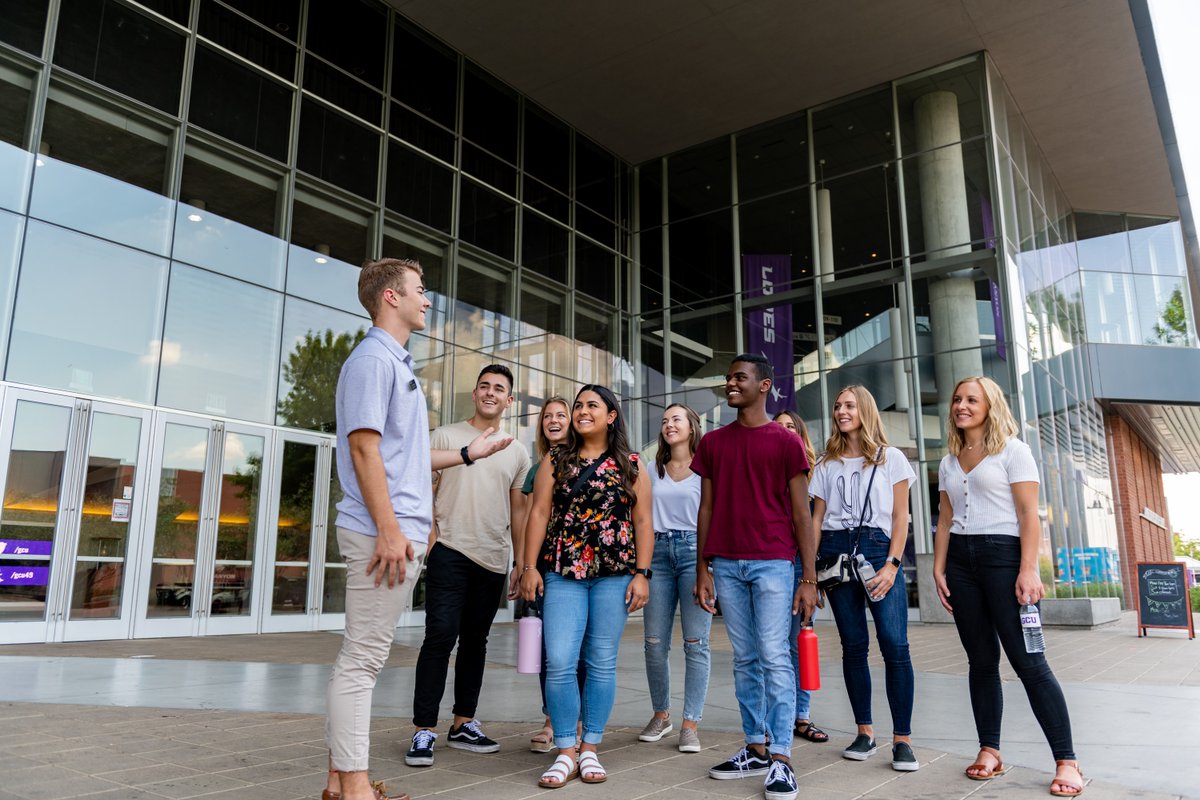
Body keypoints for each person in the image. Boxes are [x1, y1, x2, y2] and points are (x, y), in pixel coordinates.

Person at [324, 257, 511, 800]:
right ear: (391, 297)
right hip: (383, 533)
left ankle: (339, 784)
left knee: (358, 659)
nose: (427, 299)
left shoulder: (394, 364)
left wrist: (469, 453)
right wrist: (388, 528)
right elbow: (364, 447)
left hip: (395, 529)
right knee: (362, 661)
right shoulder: (372, 361)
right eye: (419, 290)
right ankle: (356, 790)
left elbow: (404, 458)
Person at [932, 376, 1083, 797]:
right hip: (961, 563)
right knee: (980, 663)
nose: (961, 405)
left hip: (1004, 558)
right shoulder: (949, 460)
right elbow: (944, 519)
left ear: (990, 405)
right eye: (957, 399)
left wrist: (1028, 569)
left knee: (1029, 661)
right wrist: (939, 569)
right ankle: (990, 750)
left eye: (971, 400)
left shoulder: (1014, 452)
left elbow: (1028, 515)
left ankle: (1067, 760)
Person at [519, 384, 654, 788]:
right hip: (562, 571)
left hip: (614, 574)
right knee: (559, 660)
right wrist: (529, 566)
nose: (581, 411)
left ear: (611, 415)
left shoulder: (632, 463)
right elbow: (539, 512)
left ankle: (590, 746)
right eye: (578, 405)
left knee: (600, 660)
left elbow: (644, 521)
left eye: (591, 405)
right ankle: (565, 749)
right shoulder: (556, 458)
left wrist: (642, 573)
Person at [694, 355, 816, 800]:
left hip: (773, 563)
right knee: (745, 658)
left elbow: (802, 514)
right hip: (725, 563)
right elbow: (705, 508)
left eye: (738, 378)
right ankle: (756, 747)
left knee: (774, 655)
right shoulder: (712, 443)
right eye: (728, 378)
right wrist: (701, 567)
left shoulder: (786, 443)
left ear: (764, 385)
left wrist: (808, 577)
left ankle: (782, 758)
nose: (730, 384)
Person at [405, 365, 531, 767]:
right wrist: (428, 541)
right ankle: (423, 730)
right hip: (451, 550)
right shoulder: (444, 436)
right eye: (485, 386)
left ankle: (463, 723)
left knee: (476, 644)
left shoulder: (517, 449)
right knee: (439, 637)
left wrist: (520, 562)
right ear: (474, 393)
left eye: (500, 389)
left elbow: (519, 511)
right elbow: (422, 490)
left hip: (493, 558)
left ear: (509, 400)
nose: (491, 393)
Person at [810, 385, 918, 772]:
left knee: (894, 645)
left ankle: (902, 740)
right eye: (837, 405)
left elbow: (900, 518)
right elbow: (817, 520)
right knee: (853, 645)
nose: (841, 411)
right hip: (836, 554)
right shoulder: (825, 463)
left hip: (878, 549)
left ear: (866, 410)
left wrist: (892, 564)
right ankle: (865, 732)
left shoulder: (891, 459)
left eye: (849, 405)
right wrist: (810, 574)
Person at [639, 403, 712, 753]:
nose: (669, 425)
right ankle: (661, 714)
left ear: (692, 425)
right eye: (665, 421)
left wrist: (708, 567)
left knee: (696, 643)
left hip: (694, 554)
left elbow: (714, 519)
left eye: (676, 419)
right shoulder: (652, 469)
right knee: (654, 642)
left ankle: (690, 724)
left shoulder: (706, 469)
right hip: (657, 554)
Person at [520, 396, 587, 754]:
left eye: (562, 414)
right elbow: (530, 518)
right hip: (546, 564)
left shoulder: (590, 458)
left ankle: (578, 723)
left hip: (579, 564)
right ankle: (552, 719)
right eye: (548, 416)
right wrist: (523, 566)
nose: (554, 420)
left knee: (581, 648)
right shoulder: (538, 468)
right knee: (551, 648)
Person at [772, 410, 828, 745]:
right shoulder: (765, 466)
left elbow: (817, 521)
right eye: (778, 427)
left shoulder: (814, 472)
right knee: (772, 644)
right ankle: (777, 716)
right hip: (771, 560)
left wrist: (812, 574)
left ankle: (801, 716)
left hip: (802, 566)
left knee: (800, 642)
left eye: (791, 426)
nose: (784, 431)